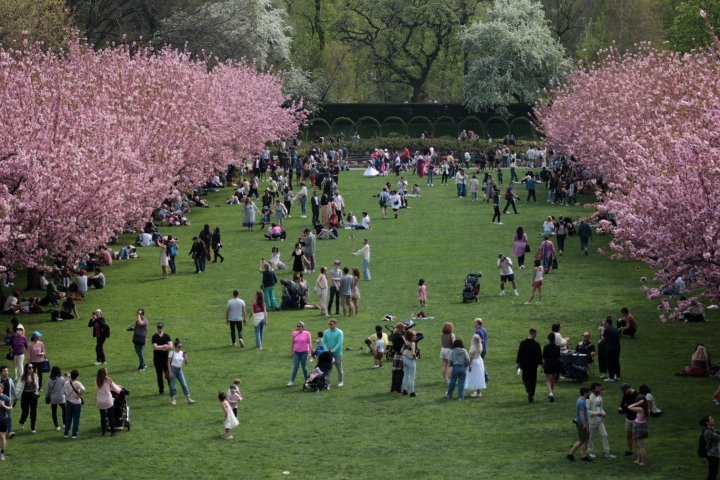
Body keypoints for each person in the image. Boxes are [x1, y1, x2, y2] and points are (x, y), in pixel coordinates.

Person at [587, 382, 616, 459]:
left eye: (599, 388)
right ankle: (591, 451)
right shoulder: (589, 398)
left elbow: (600, 408)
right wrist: (597, 413)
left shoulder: (600, 397)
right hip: (592, 421)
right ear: (593, 389)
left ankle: (607, 452)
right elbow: (587, 411)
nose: (599, 390)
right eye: (597, 388)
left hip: (600, 421)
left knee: (605, 435)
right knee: (590, 437)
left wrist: (603, 412)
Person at [516, 328, 543, 403]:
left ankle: (529, 390)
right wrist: (541, 365)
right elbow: (539, 356)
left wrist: (518, 363)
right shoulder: (536, 344)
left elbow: (520, 354)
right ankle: (532, 393)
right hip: (533, 365)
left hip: (525, 364)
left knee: (525, 379)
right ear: (534, 334)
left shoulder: (523, 343)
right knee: (533, 380)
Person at [566, 386, 592, 462]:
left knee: (586, 440)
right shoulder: (581, 402)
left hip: (585, 423)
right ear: (585, 393)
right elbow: (581, 414)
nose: (589, 394)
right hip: (582, 424)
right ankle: (570, 454)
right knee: (581, 440)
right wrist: (584, 424)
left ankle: (584, 456)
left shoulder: (583, 401)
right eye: (588, 393)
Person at [167, 339, 195, 405]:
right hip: (173, 369)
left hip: (180, 370)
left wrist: (185, 357)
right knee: (172, 386)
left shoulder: (182, 353)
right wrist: (170, 372)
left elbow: (186, 363)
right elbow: (168, 363)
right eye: (178, 346)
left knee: (184, 384)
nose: (180, 347)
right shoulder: (172, 353)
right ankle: (173, 399)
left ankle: (188, 399)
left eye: (181, 346)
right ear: (175, 346)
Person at [95, 368, 120, 437]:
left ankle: (103, 432)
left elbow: (97, 389)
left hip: (100, 400)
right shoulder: (108, 380)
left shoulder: (97, 381)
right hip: (108, 400)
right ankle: (112, 432)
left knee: (102, 416)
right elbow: (116, 389)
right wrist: (120, 390)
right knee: (111, 416)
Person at [288, 322, 312, 386]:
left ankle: (306, 380)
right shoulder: (294, 333)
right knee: (295, 366)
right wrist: (291, 351)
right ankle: (292, 381)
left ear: (303, 327)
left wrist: (310, 352)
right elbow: (292, 343)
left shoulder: (307, 334)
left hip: (304, 352)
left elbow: (310, 344)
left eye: (300, 326)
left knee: (304, 367)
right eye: (297, 326)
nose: (298, 327)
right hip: (296, 352)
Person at [627, 395, 649, 466]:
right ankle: (638, 460)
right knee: (639, 445)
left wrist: (638, 403)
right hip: (641, 426)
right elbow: (648, 419)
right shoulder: (647, 409)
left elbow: (629, 407)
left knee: (641, 446)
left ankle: (643, 462)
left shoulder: (640, 409)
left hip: (639, 427)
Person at [62, 369, 84, 438]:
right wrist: (79, 394)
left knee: (68, 417)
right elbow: (83, 389)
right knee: (76, 418)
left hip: (69, 401)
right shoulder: (78, 383)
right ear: (77, 376)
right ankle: (74, 433)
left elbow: (63, 392)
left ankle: (66, 433)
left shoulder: (67, 383)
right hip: (77, 402)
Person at [152, 322, 172, 395]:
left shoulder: (166, 336)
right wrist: (164, 346)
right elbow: (155, 347)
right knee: (159, 375)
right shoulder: (154, 337)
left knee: (168, 373)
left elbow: (170, 346)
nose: (159, 329)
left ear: (163, 327)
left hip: (166, 359)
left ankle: (171, 388)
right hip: (157, 359)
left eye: (160, 327)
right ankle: (161, 390)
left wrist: (160, 348)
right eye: (158, 327)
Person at [322, 319, 344, 387]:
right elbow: (324, 341)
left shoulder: (339, 332)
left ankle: (341, 381)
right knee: (328, 369)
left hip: (337, 354)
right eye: (329, 324)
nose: (330, 325)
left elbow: (339, 342)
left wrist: (334, 350)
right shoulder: (326, 332)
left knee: (339, 368)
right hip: (329, 354)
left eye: (331, 324)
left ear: (335, 324)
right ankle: (328, 382)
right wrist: (325, 349)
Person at [17, 363, 39, 433]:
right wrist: (16, 396)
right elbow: (18, 387)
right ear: (26, 369)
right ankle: (22, 421)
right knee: (25, 411)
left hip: (33, 395)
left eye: (32, 367)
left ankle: (33, 427)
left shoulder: (35, 376)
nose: (31, 369)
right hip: (25, 395)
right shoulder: (22, 377)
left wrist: (36, 387)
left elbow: (37, 387)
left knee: (33, 411)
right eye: (29, 368)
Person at [620, 383, 640, 457]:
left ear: (628, 388)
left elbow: (636, 405)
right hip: (628, 417)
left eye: (625, 391)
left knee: (635, 436)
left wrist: (627, 406)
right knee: (629, 435)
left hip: (636, 418)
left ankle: (639, 451)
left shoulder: (637, 395)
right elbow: (622, 405)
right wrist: (628, 407)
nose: (624, 393)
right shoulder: (626, 395)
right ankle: (629, 450)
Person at [45, 366, 66, 431]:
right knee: (64, 410)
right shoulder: (61, 379)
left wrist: (46, 397)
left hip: (53, 398)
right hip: (61, 397)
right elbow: (65, 386)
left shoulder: (49, 379)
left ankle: (56, 426)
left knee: (54, 412)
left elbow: (47, 390)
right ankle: (64, 424)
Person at [465, 334, 486, 398]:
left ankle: (478, 392)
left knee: (475, 376)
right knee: (479, 376)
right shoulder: (480, 345)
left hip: (474, 361)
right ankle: (478, 391)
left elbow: (471, 357)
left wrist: (469, 365)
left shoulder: (472, 347)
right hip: (479, 360)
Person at [601, 316, 621, 382]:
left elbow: (602, 340)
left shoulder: (607, 330)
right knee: (616, 362)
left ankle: (611, 377)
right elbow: (619, 336)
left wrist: (602, 331)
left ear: (607, 323)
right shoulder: (615, 328)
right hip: (617, 347)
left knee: (610, 363)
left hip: (610, 348)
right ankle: (618, 376)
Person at [543, 333, 561, 402]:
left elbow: (544, 356)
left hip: (548, 364)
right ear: (554, 339)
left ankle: (550, 393)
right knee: (553, 379)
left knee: (548, 380)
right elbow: (559, 356)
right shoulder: (557, 347)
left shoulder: (546, 347)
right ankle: (551, 392)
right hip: (555, 364)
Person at [701, 415, 720, 480]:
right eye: (711, 419)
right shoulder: (708, 432)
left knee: (714, 473)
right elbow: (718, 437)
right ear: (707, 422)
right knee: (712, 474)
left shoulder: (712, 429)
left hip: (714, 454)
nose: (713, 420)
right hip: (712, 455)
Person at [0, 367, 17, 439]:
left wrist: (16, 396)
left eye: (7, 371)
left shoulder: (10, 380)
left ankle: (10, 432)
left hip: (7, 401)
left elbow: (13, 389)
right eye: (4, 371)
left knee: (9, 417)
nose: (6, 372)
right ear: (1, 372)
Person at [401, 330, 418, 397]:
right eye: (414, 335)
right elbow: (413, 353)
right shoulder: (412, 343)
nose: (416, 336)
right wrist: (415, 357)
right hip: (410, 360)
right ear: (411, 336)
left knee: (405, 375)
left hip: (404, 359)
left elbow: (401, 350)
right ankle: (412, 392)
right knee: (412, 377)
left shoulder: (406, 342)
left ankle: (404, 390)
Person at [0, 382, 12, 460]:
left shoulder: (5, 398)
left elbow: (10, 408)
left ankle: (2, 453)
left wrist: (3, 405)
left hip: (3, 419)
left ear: (2, 389)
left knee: (2, 436)